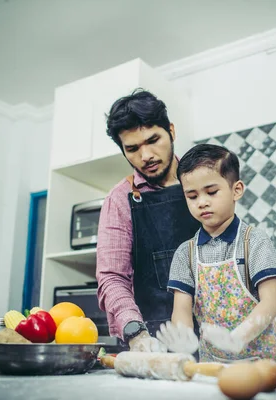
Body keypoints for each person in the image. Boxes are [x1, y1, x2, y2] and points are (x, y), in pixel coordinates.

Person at [159, 143, 276, 362]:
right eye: (192, 196)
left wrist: (239, 336)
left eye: (211, 192)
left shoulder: (254, 240)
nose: (202, 202)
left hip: (264, 362)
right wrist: (184, 337)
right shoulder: (185, 253)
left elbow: (270, 302)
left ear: (236, 190)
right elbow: (181, 309)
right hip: (213, 365)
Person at [95, 89, 200, 352]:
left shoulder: (204, 182)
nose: (146, 156)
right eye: (132, 148)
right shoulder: (120, 199)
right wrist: (136, 333)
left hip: (218, 337)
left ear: (171, 131)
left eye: (153, 140)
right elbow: (112, 279)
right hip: (153, 342)